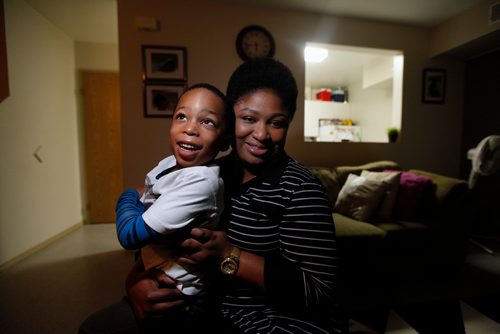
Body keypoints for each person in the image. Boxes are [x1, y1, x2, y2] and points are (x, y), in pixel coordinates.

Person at [79, 58, 346, 333]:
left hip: (270, 321)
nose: (261, 134)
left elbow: (318, 290)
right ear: (229, 122)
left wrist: (228, 254)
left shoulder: (301, 188)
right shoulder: (202, 173)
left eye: (276, 123)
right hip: (201, 305)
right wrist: (135, 283)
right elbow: (155, 233)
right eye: (249, 119)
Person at [114, 82, 231, 300]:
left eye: (207, 121)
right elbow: (148, 193)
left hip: (178, 294)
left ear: (224, 141)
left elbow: (130, 235)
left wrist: (127, 195)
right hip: (152, 272)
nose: (190, 128)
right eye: (181, 117)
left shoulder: (201, 181)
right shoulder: (169, 163)